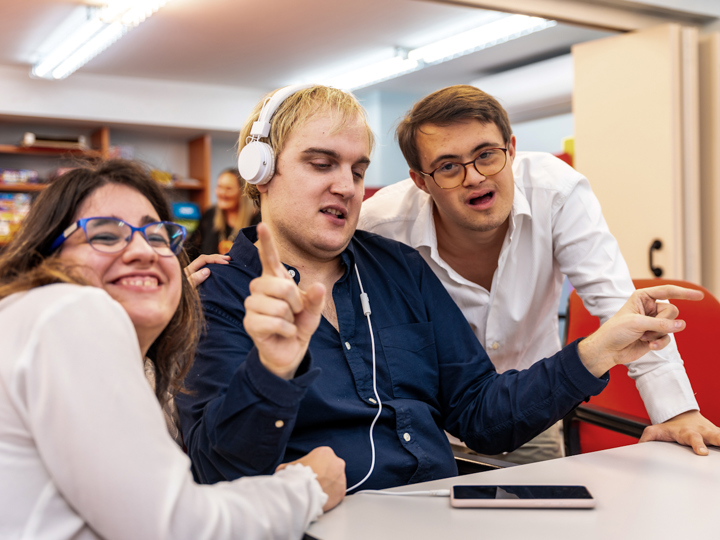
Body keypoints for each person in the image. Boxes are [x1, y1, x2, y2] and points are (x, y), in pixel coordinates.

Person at [175, 85, 701, 492]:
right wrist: (272, 370)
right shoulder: (217, 296)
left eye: (358, 170)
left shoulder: (397, 267)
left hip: (444, 506)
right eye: (321, 163)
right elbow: (219, 469)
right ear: (259, 171)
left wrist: (596, 351)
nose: (346, 186)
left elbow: (478, 414)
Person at [358, 84, 720, 463]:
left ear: (511, 149)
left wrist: (677, 413)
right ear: (420, 180)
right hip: (421, 429)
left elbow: (620, 310)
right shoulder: (379, 227)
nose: (475, 177)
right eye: (448, 166)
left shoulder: (556, 192)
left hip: (531, 414)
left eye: (487, 155)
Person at [0, 160, 345, 540]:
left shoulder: (138, 369)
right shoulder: (71, 309)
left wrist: (273, 368)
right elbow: (176, 527)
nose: (143, 251)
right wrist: (307, 487)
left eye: (157, 236)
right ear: (45, 257)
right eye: (106, 234)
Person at [187, 167, 259, 258]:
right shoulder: (210, 214)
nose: (222, 193)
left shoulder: (257, 221)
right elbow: (190, 250)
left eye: (228, 189)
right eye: (219, 187)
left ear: (242, 193)